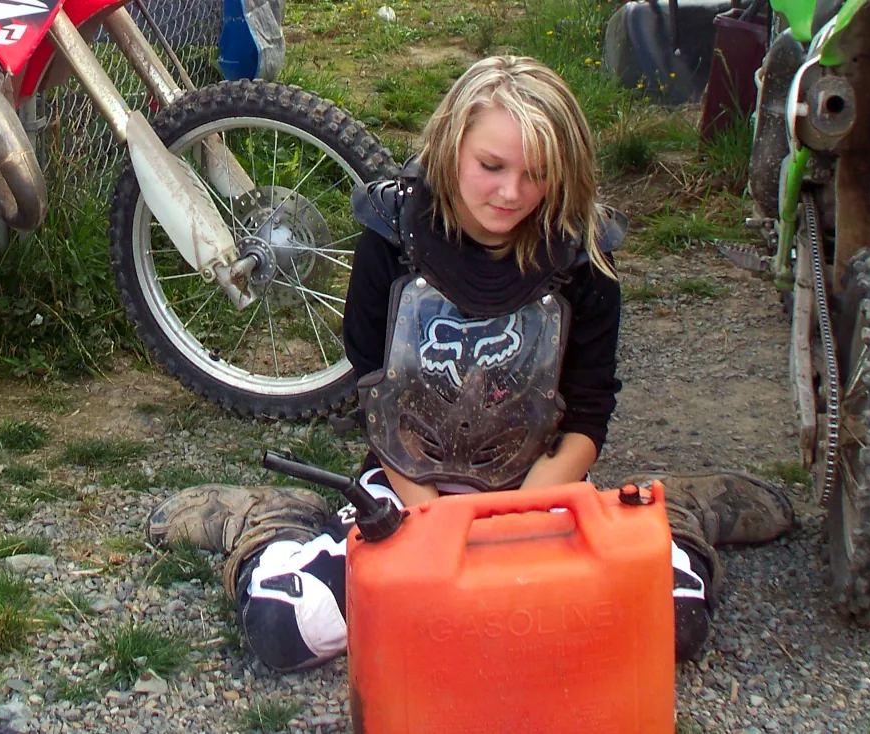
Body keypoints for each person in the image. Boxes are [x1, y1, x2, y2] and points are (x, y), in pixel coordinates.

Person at [145, 55, 793, 671]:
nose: (513, 193)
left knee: (664, 627)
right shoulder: (392, 235)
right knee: (287, 629)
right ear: (452, 144)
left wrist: (510, 527)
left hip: (537, 491)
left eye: (537, 174)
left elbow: (588, 413)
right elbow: (374, 388)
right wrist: (434, 528)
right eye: (491, 165)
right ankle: (274, 522)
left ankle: (673, 514)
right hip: (407, 486)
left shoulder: (582, 253)